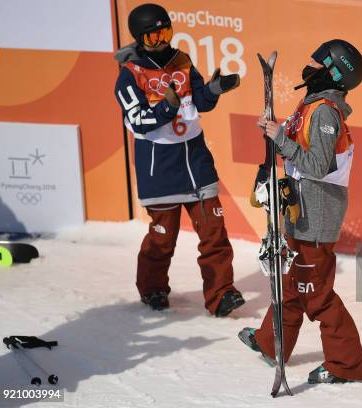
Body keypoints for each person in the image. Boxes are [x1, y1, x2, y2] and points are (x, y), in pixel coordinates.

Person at [239, 39, 362, 384]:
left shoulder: (325, 111)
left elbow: (317, 164)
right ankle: (270, 342)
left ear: (333, 72)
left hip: (316, 215)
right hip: (301, 210)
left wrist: (280, 138)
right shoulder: (312, 103)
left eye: (316, 62)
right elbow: (297, 148)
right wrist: (275, 132)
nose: (308, 65)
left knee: (317, 295)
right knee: (294, 285)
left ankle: (345, 365)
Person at [113, 3, 244, 316]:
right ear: (140, 38)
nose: (161, 40)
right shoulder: (130, 76)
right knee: (163, 238)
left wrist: (214, 88)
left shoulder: (182, 60)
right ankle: (153, 288)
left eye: (166, 32)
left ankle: (221, 294)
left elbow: (200, 100)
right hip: (160, 164)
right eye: (153, 35)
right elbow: (139, 120)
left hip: (196, 158)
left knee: (214, 233)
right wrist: (167, 107)